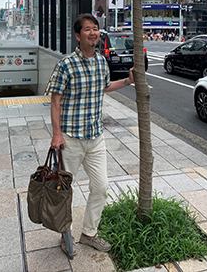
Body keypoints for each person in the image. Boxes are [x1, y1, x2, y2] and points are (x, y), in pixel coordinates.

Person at [48, 13, 134, 257]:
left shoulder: (100, 61)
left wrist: (127, 81)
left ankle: (88, 234)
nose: (93, 33)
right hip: (71, 140)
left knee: (101, 187)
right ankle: (65, 234)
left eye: (95, 28)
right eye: (87, 29)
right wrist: (56, 134)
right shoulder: (65, 64)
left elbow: (105, 86)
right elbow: (55, 99)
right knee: (64, 190)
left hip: (96, 138)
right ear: (78, 35)